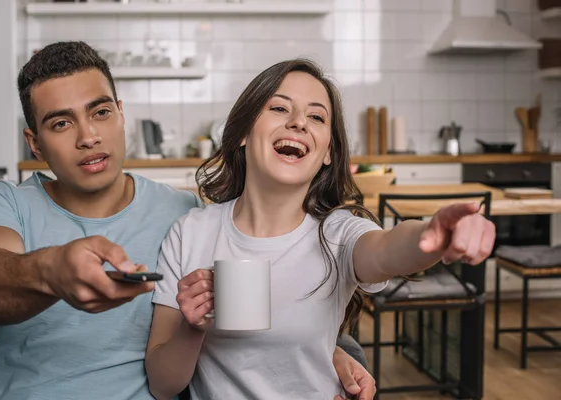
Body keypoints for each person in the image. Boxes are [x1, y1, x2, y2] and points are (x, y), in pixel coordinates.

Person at [0, 41, 375, 400]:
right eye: (61, 122)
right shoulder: (3, 203)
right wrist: (52, 271)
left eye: (101, 112)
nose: (88, 136)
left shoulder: (184, 216)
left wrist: (326, 355)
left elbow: (236, 315)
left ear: (121, 115)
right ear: (35, 143)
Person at [145, 59, 496, 400]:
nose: (299, 123)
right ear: (242, 134)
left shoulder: (338, 234)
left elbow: (386, 248)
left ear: (327, 151)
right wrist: (193, 328)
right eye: (279, 109)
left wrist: (432, 235)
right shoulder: (190, 233)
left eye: (316, 117)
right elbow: (163, 386)